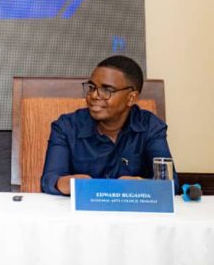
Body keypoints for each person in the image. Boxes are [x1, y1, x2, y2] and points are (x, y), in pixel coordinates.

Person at [41, 55, 179, 195]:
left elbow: (170, 183)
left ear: (131, 98)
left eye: (107, 90)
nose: (94, 95)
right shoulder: (66, 127)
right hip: (81, 208)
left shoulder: (150, 127)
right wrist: (65, 183)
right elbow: (49, 179)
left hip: (132, 208)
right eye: (92, 87)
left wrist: (139, 184)